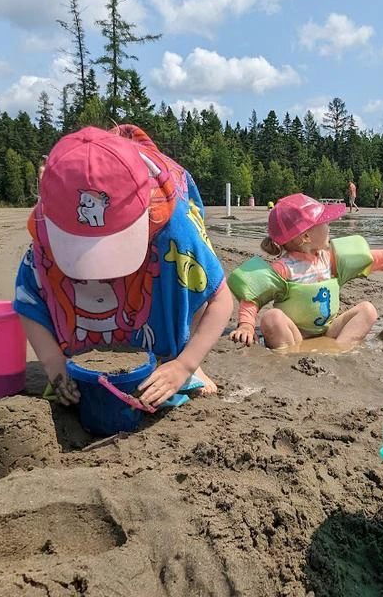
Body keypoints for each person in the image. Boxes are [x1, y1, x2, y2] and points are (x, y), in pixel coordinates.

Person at [13, 125, 232, 409]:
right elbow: (28, 301)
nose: (102, 269)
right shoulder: (45, 234)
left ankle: (177, 358)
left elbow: (219, 296)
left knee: (185, 278)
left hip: (162, 208)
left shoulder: (173, 225)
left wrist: (186, 364)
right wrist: (55, 364)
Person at [228, 193, 383, 350]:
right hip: (295, 333)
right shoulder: (283, 268)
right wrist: (245, 324)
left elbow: (371, 258)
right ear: (306, 236)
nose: (329, 226)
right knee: (272, 318)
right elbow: (252, 297)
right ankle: (290, 350)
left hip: (328, 329)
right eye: (323, 223)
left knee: (367, 310)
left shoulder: (328, 259)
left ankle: (339, 347)